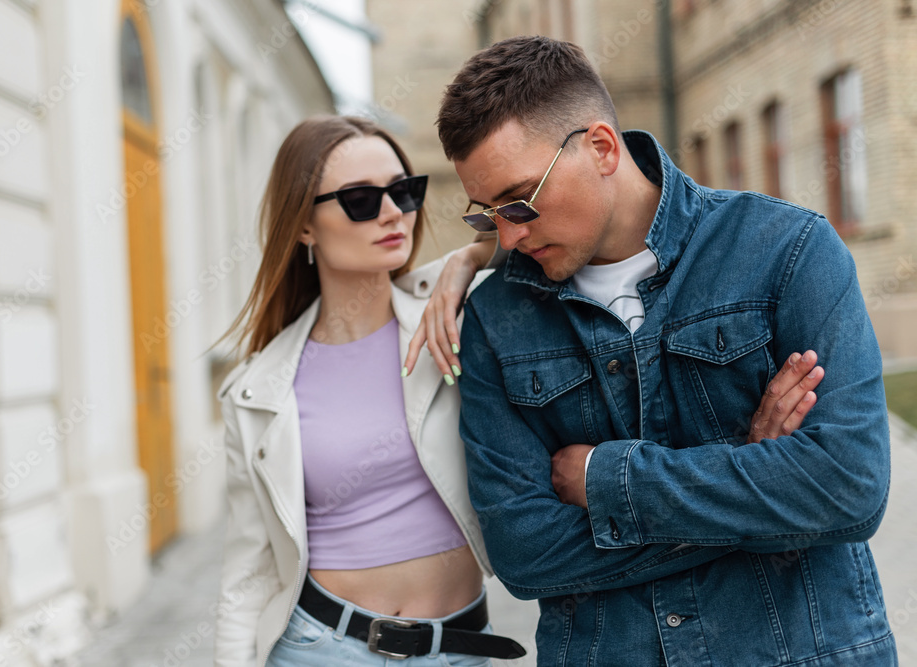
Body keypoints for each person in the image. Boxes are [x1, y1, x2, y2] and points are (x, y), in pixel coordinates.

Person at [436, 36, 897, 665]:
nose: (510, 236)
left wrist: (605, 480)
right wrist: (754, 475)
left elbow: (848, 486)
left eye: (520, 201)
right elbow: (528, 554)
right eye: (487, 216)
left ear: (600, 147)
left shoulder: (787, 252)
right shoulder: (496, 319)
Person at [209, 115, 527, 667]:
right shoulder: (257, 391)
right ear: (304, 226)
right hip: (324, 648)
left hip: (462, 647)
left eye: (403, 191)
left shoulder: (450, 316)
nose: (391, 213)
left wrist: (468, 258)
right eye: (359, 199)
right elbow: (249, 571)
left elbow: (546, 238)